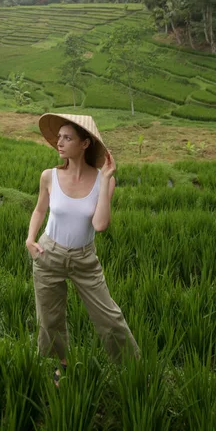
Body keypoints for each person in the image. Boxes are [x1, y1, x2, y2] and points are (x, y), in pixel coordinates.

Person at [26, 113, 140, 385]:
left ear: (85, 143)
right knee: (50, 318)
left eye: (67, 138)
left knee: (110, 317)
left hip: (84, 257)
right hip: (48, 253)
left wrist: (107, 177)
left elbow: (100, 224)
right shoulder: (49, 176)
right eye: (59, 137)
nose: (59, 143)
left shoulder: (104, 180)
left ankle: (134, 371)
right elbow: (40, 209)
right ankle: (62, 365)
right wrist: (30, 239)